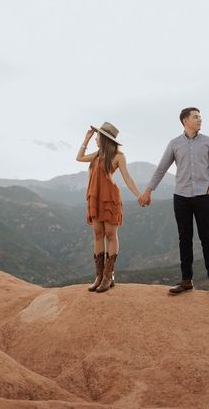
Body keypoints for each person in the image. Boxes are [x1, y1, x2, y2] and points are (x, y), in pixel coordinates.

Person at [138, 107, 209, 298]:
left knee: (207, 239)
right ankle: (186, 281)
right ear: (185, 121)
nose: (200, 120)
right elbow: (161, 169)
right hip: (181, 197)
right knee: (184, 239)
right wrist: (148, 191)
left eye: (200, 117)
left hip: (203, 196)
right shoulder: (174, 144)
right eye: (195, 117)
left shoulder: (208, 142)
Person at [76, 122, 140, 293]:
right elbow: (79, 157)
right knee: (98, 233)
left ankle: (108, 275)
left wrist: (139, 195)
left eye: (97, 136)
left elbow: (127, 178)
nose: (96, 138)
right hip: (95, 197)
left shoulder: (118, 156)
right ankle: (98, 276)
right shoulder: (97, 154)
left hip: (110, 198)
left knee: (111, 234)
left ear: (104, 138)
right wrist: (86, 138)